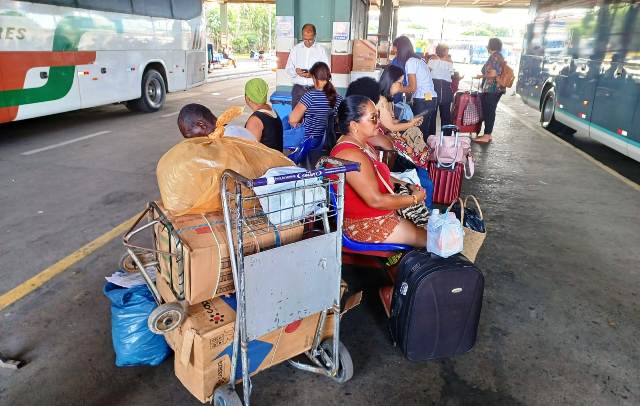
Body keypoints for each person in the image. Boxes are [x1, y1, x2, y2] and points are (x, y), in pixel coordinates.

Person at [330, 95, 428, 247]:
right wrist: (414, 199)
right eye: (373, 118)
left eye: (378, 116)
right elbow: (376, 200)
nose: (379, 122)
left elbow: (377, 175)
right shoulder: (350, 155)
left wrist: (407, 185)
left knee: (430, 229)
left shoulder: (362, 145)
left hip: (379, 213)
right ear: (354, 125)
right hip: (364, 224)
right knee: (432, 239)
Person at [392, 36, 437, 138]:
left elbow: (412, 87)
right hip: (429, 98)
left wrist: (398, 88)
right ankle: (425, 152)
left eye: (396, 52)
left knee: (418, 132)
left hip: (423, 100)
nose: (396, 55)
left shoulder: (410, 62)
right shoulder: (419, 60)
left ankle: (422, 153)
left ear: (401, 49)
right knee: (424, 131)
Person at [288, 62, 342, 142]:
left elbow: (292, 120)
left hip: (309, 142)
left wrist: (300, 124)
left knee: (288, 122)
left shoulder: (309, 97)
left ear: (313, 77)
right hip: (329, 141)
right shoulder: (338, 98)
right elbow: (340, 121)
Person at [285, 23, 329, 108]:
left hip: (315, 89)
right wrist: (296, 71)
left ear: (315, 36)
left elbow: (326, 70)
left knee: (314, 118)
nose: (308, 42)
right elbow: (288, 68)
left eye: (310, 39)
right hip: (298, 90)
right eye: (305, 39)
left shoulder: (321, 50)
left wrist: (313, 75)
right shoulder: (295, 49)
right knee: (297, 119)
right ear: (302, 36)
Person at [474, 37, 506, 143]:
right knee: (490, 110)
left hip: (493, 89)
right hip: (496, 89)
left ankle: (487, 135)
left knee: (489, 111)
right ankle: (488, 134)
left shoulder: (495, 56)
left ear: (490, 46)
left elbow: (493, 73)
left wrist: (483, 75)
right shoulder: (498, 56)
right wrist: (483, 76)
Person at [244, 78, 283, 151]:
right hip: (278, 159)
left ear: (247, 98)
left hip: (267, 161)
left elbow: (251, 151)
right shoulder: (271, 110)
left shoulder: (255, 120)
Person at [427, 43, 454, 136]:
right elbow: (452, 73)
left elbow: (427, 72)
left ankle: (430, 137)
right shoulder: (449, 62)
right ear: (444, 52)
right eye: (447, 51)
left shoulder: (432, 60)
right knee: (446, 115)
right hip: (445, 90)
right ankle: (447, 137)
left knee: (432, 113)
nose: (448, 53)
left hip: (433, 89)